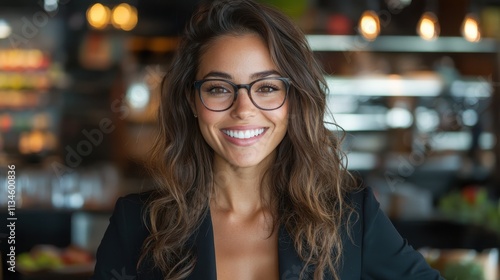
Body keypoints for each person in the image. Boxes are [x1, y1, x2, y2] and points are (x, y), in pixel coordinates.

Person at [92, 0, 444, 279]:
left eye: (267, 87)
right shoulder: (137, 225)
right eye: (218, 88)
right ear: (191, 101)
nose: (243, 109)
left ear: (294, 101)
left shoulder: (352, 220)